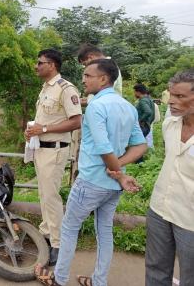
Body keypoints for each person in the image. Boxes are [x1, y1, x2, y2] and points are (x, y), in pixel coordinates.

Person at [35, 59, 147, 286]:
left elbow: (104, 147)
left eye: (88, 75)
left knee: (68, 228)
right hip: (113, 184)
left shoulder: (96, 106)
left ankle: (59, 279)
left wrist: (117, 170)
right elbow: (141, 145)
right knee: (104, 231)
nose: (83, 79)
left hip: (92, 182)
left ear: (104, 79)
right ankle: (98, 281)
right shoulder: (127, 106)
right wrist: (119, 171)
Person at [25, 48, 82, 266]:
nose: (36, 66)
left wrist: (44, 128)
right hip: (41, 148)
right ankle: (46, 234)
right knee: (43, 194)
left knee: (51, 197)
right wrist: (33, 131)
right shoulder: (46, 88)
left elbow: (76, 120)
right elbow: (43, 120)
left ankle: (58, 244)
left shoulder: (65, 89)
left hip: (55, 150)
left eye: (40, 62)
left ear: (52, 65)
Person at [145, 69, 194, 286]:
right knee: (156, 268)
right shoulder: (169, 124)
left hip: (190, 218)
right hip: (160, 209)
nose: (171, 101)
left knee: (190, 277)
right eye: (171, 95)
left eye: (180, 97)